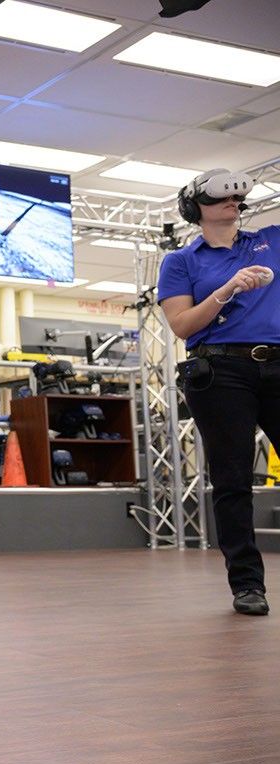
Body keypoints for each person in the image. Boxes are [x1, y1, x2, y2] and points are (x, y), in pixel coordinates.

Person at [159, 167, 280, 616]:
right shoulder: (182, 261)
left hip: (277, 362)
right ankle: (248, 584)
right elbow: (182, 325)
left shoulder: (271, 239)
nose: (232, 203)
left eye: (236, 199)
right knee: (231, 479)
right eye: (220, 199)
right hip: (220, 370)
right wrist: (226, 291)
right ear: (197, 209)